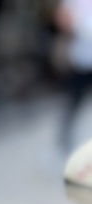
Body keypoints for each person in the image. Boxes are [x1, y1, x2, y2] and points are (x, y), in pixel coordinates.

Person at [57, 0, 92, 149]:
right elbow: (62, 19)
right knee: (73, 103)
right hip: (82, 60)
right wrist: (77, 24)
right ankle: (63, 143)